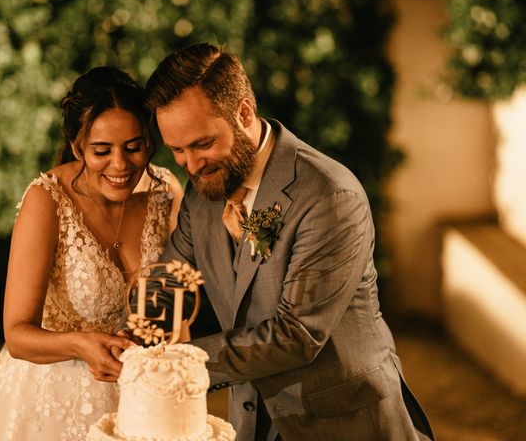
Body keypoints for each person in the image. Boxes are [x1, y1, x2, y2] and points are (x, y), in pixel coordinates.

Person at [144, 43, 434, 441]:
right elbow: (166, 284)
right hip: (253, 426)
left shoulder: (329, 195)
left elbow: (296, 335)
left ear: (244, 112)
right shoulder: (202, 195)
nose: (191, 165)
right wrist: (134, 335)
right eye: (177, 150)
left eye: (203, 144)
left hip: (346, 424)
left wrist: (172, 365)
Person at [0, 66, 183, 441]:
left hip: (142, 394)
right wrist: (81, 344)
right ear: (77, 145)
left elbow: (177, 306)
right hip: (53, 398)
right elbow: (17, 335)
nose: (120, 165)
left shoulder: (165, 192)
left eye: (134, 147)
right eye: (102, 150)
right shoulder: (47, 201)